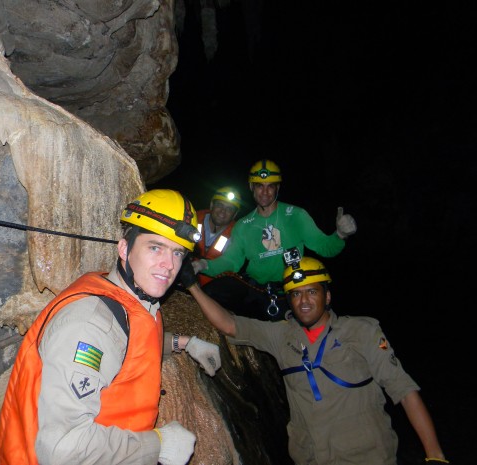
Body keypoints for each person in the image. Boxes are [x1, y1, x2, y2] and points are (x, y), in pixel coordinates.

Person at [0, 189, 222, 465]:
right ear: (124, 248)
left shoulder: (132, 297)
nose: (169, 265)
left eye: (177, 253)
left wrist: (184, 343)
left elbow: (129, 344)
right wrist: (158, 445)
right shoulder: (89, 325)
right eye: (155, 248)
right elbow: (61, 449)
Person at [181, 255, 449, 465]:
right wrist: (193, 285)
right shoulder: (281, 335)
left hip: (367, 457)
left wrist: (435, 455)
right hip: (311, 458)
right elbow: (230, 325)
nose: (304, 301)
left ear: (327, 296)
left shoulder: (362, 332)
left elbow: (404, 391)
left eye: (312, 292)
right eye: (296, 294)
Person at [193, 159, 357, 322]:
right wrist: (203, 265)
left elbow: (325, 247)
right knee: (212, 291)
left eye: (270, 186)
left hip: (290, 290)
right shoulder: (243, 225)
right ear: (251, 187)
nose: (265, 192)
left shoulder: (296, 215)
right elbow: (231, 261)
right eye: (259, 185)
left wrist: (340, 234)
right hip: (256, 290)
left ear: (277, 188)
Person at [193, 186, 242, 287]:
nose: (223, 211)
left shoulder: (237, 234)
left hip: (213, 287)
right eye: (220, 205)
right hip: (184, 278)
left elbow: (231, 262)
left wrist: (203, 265)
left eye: (229, 209)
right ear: (212, 205)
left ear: (235, 214)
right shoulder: (193, 219)